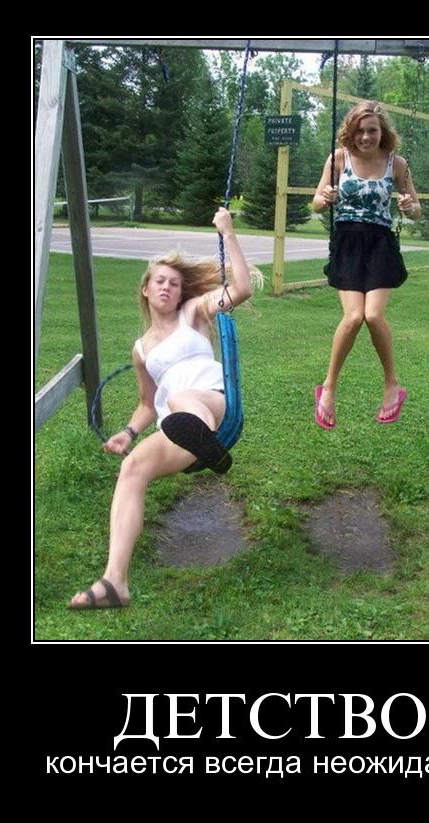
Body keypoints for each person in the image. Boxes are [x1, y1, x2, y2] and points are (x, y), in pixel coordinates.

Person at [68, 207, 261, 609]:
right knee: (132, 468)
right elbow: (146, 404)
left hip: (212, 402)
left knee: (179, 400)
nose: (168, 288)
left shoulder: (194, 313)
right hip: (176, 426)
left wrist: (228, 232)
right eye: (160, 281)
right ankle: (114, 582)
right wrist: (128, 432)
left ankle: (205, 438)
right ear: (145, 289)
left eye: (174, 283)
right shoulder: (141, 349)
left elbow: (241, 288)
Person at [312, 100, 421, 429]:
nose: (365, 137)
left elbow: (417, 209)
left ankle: (392, 386)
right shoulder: (338, 158)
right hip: (347, 242)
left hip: (380, 245)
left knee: (372, 315)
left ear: (381, 131)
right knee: (353, 317)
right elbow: (316, 203)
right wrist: (324, 198)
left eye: (371, 130)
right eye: (359, 130)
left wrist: (408, 206)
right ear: (351, 131)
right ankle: (328, 388)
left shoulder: (396, 164)